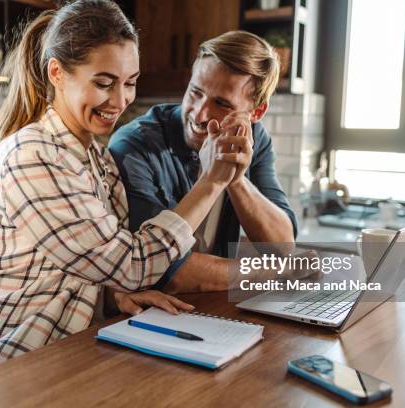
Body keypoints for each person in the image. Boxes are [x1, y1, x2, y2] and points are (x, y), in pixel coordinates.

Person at [0, 0, 245, 389]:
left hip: (42, 371)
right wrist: (211, 183)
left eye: (130, 82)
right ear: (57, 72)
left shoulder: (95, 160)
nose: (120, 101)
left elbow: (77, 269)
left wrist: (114, 296)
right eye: (104, 83)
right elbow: (133, 264)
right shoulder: (32, 155)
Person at [109, 31, 299, 294]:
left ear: (255, 112)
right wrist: (278, 273)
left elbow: (283, 245)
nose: (199, 114)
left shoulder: (253, 140)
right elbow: (162, 270)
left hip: (214, 307)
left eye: (221, 103)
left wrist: (237, 180)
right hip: (149, 314)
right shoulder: (134, 146)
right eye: (195, 92)